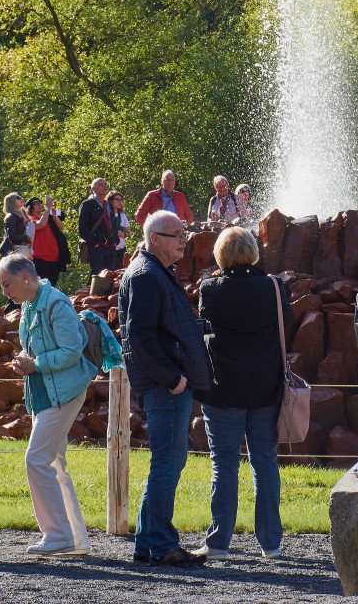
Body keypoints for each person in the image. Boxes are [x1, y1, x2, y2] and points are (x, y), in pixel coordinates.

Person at [191, 226, 291, 561]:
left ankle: (218, 543)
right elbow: (285, 325)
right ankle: (271, 543)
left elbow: (205, 327)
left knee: (224, 464)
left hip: (223, 389)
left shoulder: (210, 289)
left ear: (221, 255)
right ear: (253, 252)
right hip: (265, 388)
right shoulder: (274, 288)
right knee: (265, 463)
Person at [118, 210, 208, 567]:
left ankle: (148, 544)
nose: (184, 238)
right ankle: (162, 545)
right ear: (154, 238)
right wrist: (173, 379)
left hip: (165, 384)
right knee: (167, 464)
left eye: (183, 232)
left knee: (167, 463)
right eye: (176, 234)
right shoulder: (145, 275)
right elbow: (138, 337)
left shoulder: (152, 272)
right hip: (164, 386)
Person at [0, 254, 94, 555]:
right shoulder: (29, 303)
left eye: (6, 284)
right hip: (47, 393)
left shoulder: (56, 303)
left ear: (25, 277)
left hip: (63, 393)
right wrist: (26, 361)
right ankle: (75, 540)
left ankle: (57, 535)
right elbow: (40, 348)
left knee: (36, 460)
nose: (4, 292)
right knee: (52, 463)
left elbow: (73, 351)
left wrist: (35, 364)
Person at [78, 178, 117, 278]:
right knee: (97, 276)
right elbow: (82, 227)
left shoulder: (109, 205)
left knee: (110, 277)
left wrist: (115, 241)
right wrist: (94, 244)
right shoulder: (87, 204)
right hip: (97, 247)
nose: (104, 186)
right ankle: (90, 294)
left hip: (110, 247)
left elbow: (113, 223)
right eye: (100, 184)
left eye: (105, 184)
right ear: (93, 188)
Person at [28, 196, 67, 288]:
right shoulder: (29, 219)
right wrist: (47, 209)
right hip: (39, 259)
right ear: (30, 207)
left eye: (40, 203)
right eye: (36, 204)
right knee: (40, 287)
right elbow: (41, 224)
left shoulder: (48, 217)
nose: (39, 205)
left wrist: (51, 210)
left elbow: (61, 225)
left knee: (51, 287)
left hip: (54, 258)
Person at [1, 192, 32, 258]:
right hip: (15, 252)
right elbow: (11, 236)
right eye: (18, 198)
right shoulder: (11, 216)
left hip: (21, 250)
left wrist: (26, 242)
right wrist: (26, 238)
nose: (22, 199)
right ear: (12, 201)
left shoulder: (19, 216)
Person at [107, 190, 130, 270]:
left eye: (121, 200)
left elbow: (128, 233)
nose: (120, 202)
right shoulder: (106, 215)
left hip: (121, 251)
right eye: (117, 200)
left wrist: (122, 235)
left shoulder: (123, 215)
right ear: (110, 201)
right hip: (109, 250)